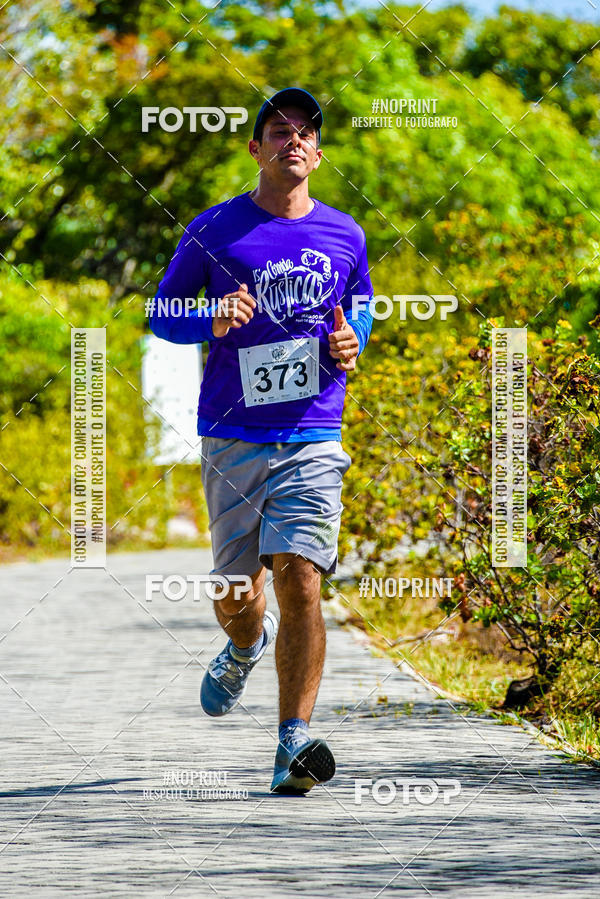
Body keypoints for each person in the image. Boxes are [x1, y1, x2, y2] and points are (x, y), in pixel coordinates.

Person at [150, 87, 374, 795]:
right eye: (279, 131)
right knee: (237, 592)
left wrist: (353, 337)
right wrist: (210, 317)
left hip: (313, 428)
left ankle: (292, 740)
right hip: (232, 434)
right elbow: (163, 311)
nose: (294, 141)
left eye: (306, 132)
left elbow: (361, 305)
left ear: (319, 149)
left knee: (301, 574)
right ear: (257, 148)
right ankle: (245, 642)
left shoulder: (346, 234)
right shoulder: (215, 228)